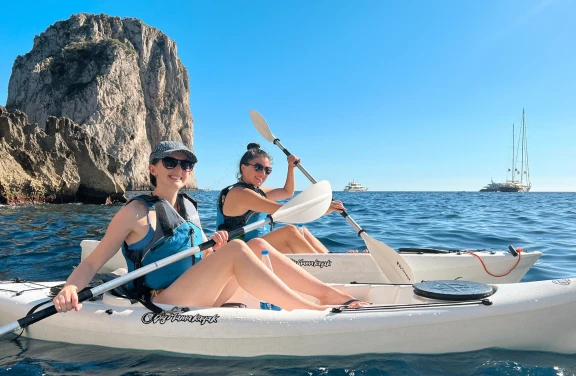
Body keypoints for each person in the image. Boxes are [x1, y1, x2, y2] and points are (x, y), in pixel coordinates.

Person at [53, 141, 367, 313]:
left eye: (186, 165)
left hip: (198, 289)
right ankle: (309, 309)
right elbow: (93, 262)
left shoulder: (189, 206)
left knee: (255, 245)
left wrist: (213, 245)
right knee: (239, 249)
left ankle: (328, 295)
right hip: (163, 298)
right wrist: (71, 287)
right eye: (170, 163)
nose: (179, 169)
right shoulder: (135, 210)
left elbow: (197, 255)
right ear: (153, 168)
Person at [216, 143, 367, 254]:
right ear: (243, 167)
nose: (263, 174)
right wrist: (325, 209)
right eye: (258, 168)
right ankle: (328, 266)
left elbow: (287, 192)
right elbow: (287, 212)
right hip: (237, 254)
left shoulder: (256, 191)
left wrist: (291, 168)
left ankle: (330, 259)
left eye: (267, 170)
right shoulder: (240, 194)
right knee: (289, 232)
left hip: (254, 248)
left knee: (302, 232)